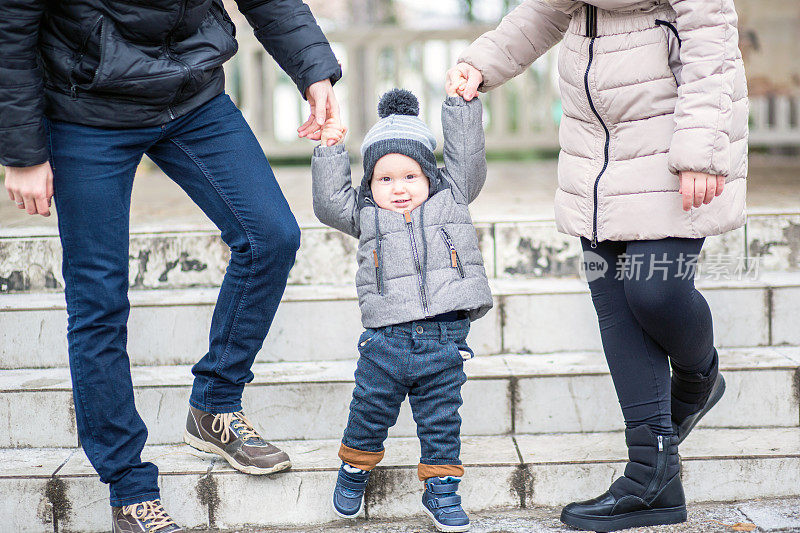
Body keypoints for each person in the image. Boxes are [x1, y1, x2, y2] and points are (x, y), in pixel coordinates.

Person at [0, 1, 342, 531]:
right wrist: (22, 151)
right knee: (99, 302)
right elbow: (10, 25)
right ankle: (130, 489)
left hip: (191, 96)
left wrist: (313, 69)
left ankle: (215, 405)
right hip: (84, 111)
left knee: (271, 236)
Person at [450, 0, 747, 530]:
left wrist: (701, 148)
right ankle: (652, 479)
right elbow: (541, 13)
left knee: (655, 292)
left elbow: (711, 42)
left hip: (675, 141)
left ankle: (700, 378)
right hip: (595, 155)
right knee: (617, 310)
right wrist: (483, 61)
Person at [310, 87, 493, 533]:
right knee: (369, 411)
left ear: (431, 175)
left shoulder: (452, 197)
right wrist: (330, 146)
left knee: (441, 421)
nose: (398, 189)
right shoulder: (366, 214)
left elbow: (467, 156)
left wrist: (461, 105)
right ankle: (354, 468)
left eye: (410, 176)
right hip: (385, 341)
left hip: (444, 339)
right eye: (384, 179)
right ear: (369, 185)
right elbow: (330, 202)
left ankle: (442, 488)